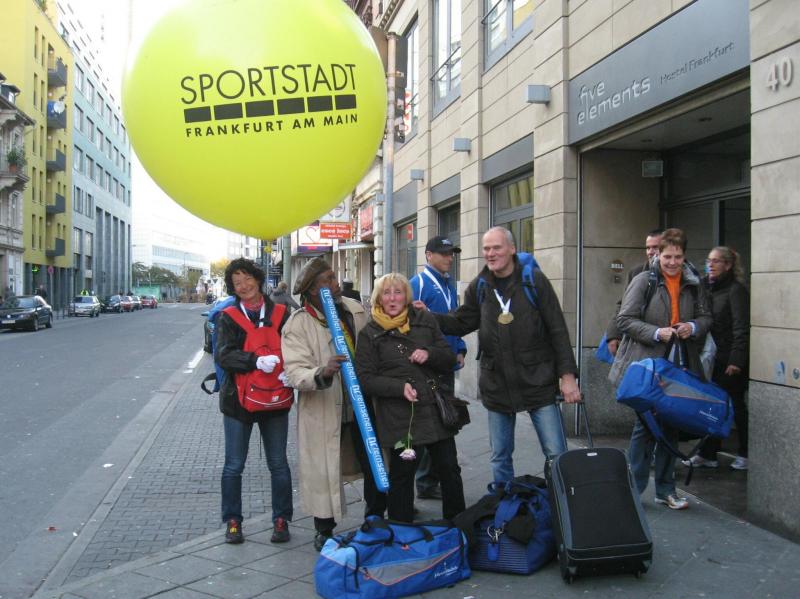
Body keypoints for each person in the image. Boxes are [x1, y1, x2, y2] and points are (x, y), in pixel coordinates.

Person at [432, 227, 582, 483]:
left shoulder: (534, 281)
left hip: (538, 382)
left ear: (511, 249)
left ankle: (561, 502)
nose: (490, 253)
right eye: (486, 249)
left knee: (556, 454)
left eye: (496, 247)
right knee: (500, 457)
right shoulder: (480, 286)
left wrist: (568, 377)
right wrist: (426, 317)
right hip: (497, 384)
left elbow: (557, 329)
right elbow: (461, 322)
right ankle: (504, 503)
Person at [282, 258, 385, 551]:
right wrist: (322, 372)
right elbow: (294, 371)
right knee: (323, 469)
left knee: (375, 461)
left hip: (362, 404)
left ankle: (375, 518)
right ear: (314, 289)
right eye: (328, 279)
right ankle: (324, 528)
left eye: (334, 276)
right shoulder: (298, 323)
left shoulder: (354, 309)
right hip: (326, 408)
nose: (336, 282)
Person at [609, 228, 712, 510]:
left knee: (671, 426)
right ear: (658, 255)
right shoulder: (645, 280)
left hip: (680, 367)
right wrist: (657, 332)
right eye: (667, 256)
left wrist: (693, 326)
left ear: (684, 256)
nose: (672, 262)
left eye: (677, 256)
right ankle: (633, 490)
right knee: (646, 427)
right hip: (648, 367)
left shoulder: (694, 282)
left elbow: (706, 317)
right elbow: (624, 319)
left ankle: (665, 490)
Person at [355, 272, 465, 522]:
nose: (393, 298)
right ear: (378, 298)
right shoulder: (370, 333)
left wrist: (429, 354)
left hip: (434, 409)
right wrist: (398, 387)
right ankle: (402, 528)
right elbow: (365, 379)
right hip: (400, 416)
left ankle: (457, 525)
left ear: (406, 296)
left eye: (398, 292)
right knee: (402, 475)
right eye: (386, 293)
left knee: (449, 468)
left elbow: (448, 358)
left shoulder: (425, 320)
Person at [214, 258, 293, 544]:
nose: (244, 285)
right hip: (238, 402)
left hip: (275, 397)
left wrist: (291, 370)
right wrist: (254, 360)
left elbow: (297, 346)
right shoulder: (227, 316)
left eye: (247, 278)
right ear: (232, 288)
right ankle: (233, 521)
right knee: (234, 465)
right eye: (237, 283)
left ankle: (281, 520)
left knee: (278, 463)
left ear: (258, 279)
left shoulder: (282, 313)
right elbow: (223, 355)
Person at [409, 235, 467, 500]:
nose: (449, 258)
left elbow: (453, 320)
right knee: (429, 425)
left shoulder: (448, 284)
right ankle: (423, 482)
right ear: (428, 255)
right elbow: (409, 325)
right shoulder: (418, 284)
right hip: (429, 368)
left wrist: (460, 348)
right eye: (444, 253)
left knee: (445, 422)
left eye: (451, 253)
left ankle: (430, 480)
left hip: (447, 364)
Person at [687, 246, 750, 470]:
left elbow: (741, 328)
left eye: (716, 261)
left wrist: (736, 360)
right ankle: (708, 453)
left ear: (728, 265)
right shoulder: (705, 286)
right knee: (711, 405)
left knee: (735, 405)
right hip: (709, 356)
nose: (710, 265)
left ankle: (745, 452)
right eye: (709, 260)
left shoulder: (735, 290)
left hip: (728, 358)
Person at [605, 229, 663, 356]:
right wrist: (613, 334)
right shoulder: (636, 273)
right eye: (648, 248)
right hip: (639, 340)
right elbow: (623, 305)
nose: (650, 252)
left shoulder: (684, 274)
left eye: (655, 247)